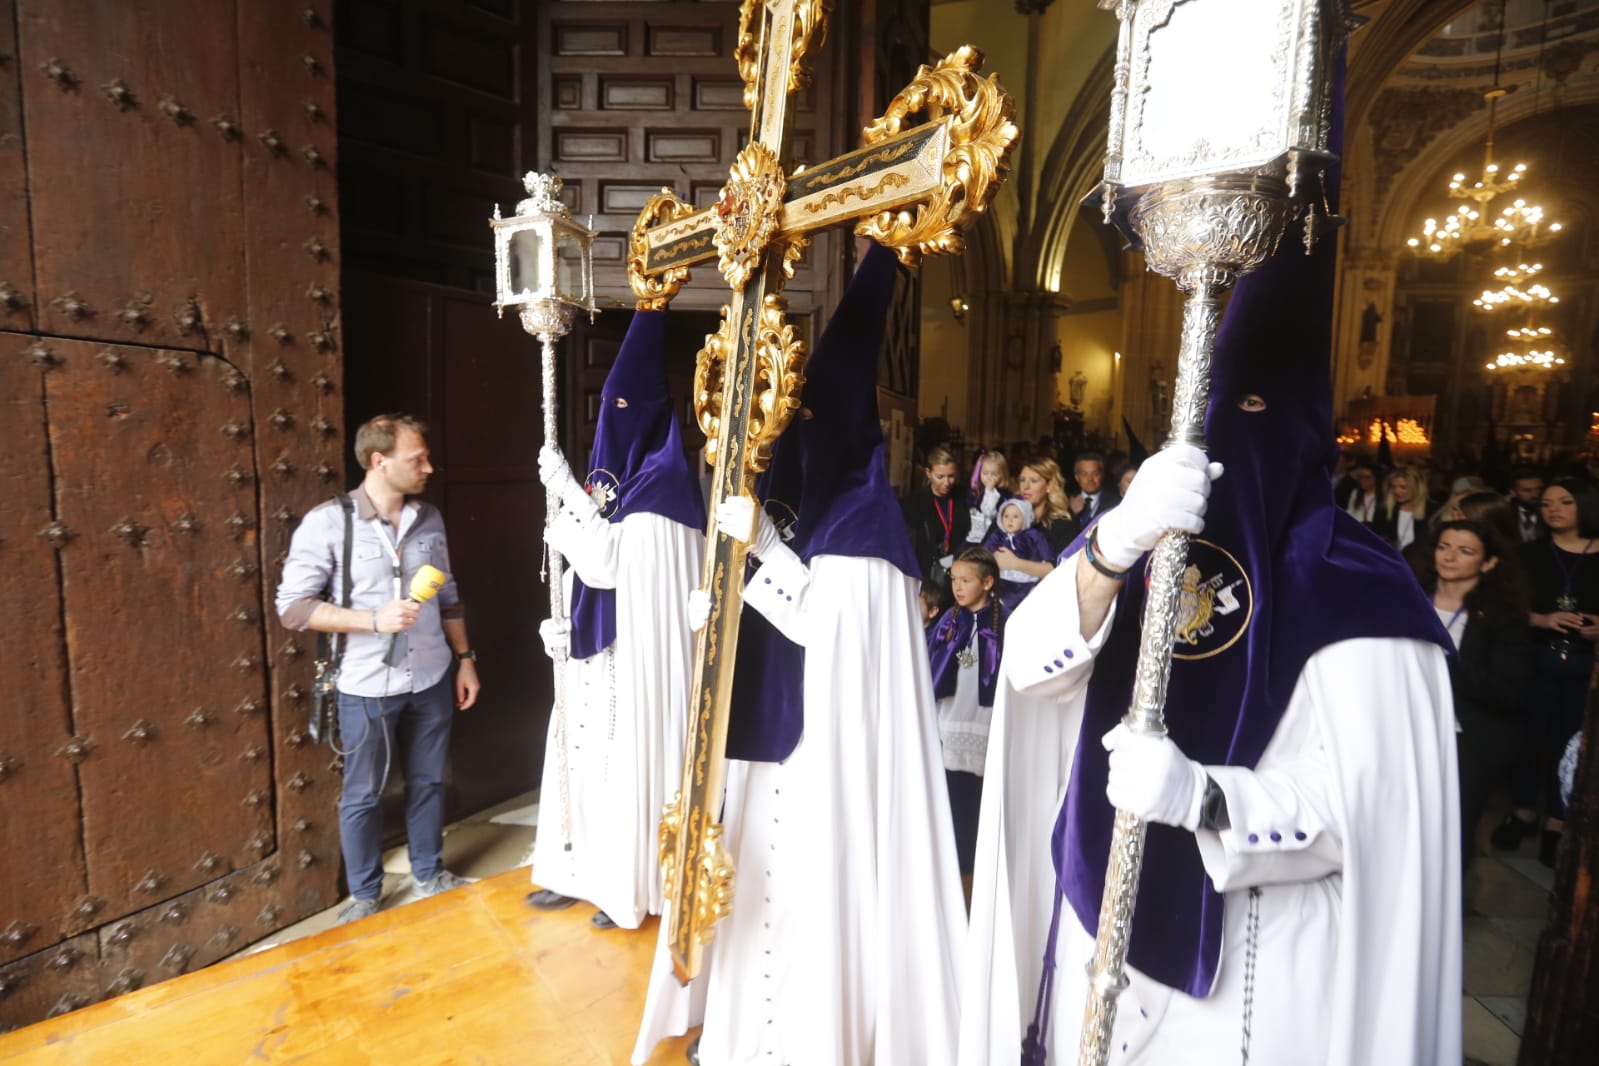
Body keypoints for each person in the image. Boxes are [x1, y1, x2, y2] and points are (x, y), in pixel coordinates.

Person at [959, 116, 1461, 1064]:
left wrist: (1207, 796)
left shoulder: (1360, 589)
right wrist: (1111, 543)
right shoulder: (1150, 541)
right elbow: (1029, 670)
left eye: (1258, 422)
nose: (1236, 450)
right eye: (1220, 425)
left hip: (1253, 967)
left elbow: (1366, 817)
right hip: (1097, 912)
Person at [633, 242, 965, 1065]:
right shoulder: (772, 489)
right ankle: (741, 1036)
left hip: (825, 763)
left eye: (806, 420)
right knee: (748, 898)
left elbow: (841, 640)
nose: (790, 433)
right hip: (751, 745)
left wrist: (768, 556)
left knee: (804, 901)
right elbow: (750, 612)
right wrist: (712, 602)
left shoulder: (862, 523)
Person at [526, 309, 706, 930]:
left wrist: (570, 494)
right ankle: (572, 870)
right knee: (581, 760)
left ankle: (624, 885)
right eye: (609, 406)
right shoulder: (624, 486)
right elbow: (588, 575)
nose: (612, 419)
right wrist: (563, 630)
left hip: (638, 662)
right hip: (596, 656)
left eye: (622, 407)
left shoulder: (665, 493)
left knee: (620, 767)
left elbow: (610, 565)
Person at [275, 413, 482, 925]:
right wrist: (372, 619)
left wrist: (465, 661)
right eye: (418, 459)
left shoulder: (429, 518)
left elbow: (449, 597)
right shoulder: (328, 522)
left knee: (430, 781)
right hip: (365, 685)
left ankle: (430, 874)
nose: (429, 467)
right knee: (362, 795)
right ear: (379, 460)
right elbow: (293, 608)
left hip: (432, 676)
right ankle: (365, 895)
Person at [1417, 520, 1532, 871]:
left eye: (1465, 551)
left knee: (1451, 831)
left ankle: (1446, 915)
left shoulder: (1502, 617)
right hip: (1408, 727)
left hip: (1468, 738)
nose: (1450, 557)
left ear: (1489, 563)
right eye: (1444, 546)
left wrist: (1443, 662)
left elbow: (1509, 692)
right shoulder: (1409, 599)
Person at [1497, 476, 1599, 866]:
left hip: (1586, 664)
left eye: (1565, 502)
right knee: (1527, 737)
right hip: (1535, 659)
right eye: (1547, 504)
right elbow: (1505, 606)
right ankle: (1522, 811)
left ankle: (1558, 821)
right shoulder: (1529, 554)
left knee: (1572, 743)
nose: (1553, 510)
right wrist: (1540, 619)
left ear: (1586, 506)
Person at [928, 546, 1008, 885]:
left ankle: (975, 880)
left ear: (988, 582)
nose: (957, 587)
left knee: (976, 811)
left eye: (966, 580)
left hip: (985, 725)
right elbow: (932, 665)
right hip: (948, 721)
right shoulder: (949, 619)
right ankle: (947, 877)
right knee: (948, 804)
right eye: (954, 579)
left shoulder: (1005, 620)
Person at [904, 444, 971, 607]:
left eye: (951, 476)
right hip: (926, 577)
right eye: (940, 476)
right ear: (928, 473)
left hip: (958, 572)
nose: (947, 482)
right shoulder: (914, 503)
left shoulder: (963, 498)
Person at [981, 497, 1052, 610]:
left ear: (1025, 519)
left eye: (1015, 516)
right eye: (1006, 516)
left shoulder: (1033, 535)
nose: (1010, 520)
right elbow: (985, 551)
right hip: (1001, 575)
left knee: (1020, 598)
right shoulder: (998, 535)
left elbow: (1046, 553)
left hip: (1025, 577)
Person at [1013, 457, 1075, 559]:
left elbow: (1063, 565)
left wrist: (1017, 564)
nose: (1026, 487)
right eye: (1022, 480)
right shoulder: (1009, 512)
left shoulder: (1064, 523)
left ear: (1049, 486)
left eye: (1033, 481)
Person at [1373, 465, 1427, 551]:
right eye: (1394, 486)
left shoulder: (1430, 512)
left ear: (1416, 487)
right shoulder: (1383, 511)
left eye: (1403, 487)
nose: (1397, 491)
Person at [967, 449, 1014, 545]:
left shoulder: (1002, 495)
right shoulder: (976, 492)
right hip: (975, 536)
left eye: (994, 474)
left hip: (992, 537)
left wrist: (989, 490)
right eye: (985, 473)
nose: (989, 477)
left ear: (1002, 475)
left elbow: (988, 511)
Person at [1066, 451, 1119, 536]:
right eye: (1084, 474)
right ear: (1077, 477)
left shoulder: (1116, 503)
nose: (1090, 479)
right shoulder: (1066, 501)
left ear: (1102, 475)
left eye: (1095, 473)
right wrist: (1071, 513)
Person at [1509, 466, 1546, 543]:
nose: (1535, 495)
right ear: (1513, 492)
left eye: (1539, 489)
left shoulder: (1549, 512)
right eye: (1527, 490)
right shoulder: (1506, 514)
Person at [1344, 458, 1380, 527]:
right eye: (1361, 477)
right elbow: (1349, 512)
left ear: (1376, 478)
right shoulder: (1355, 492)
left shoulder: (1382, 496)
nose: (1363, 480)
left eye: (1367, 477)